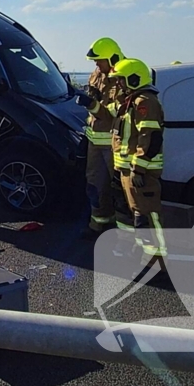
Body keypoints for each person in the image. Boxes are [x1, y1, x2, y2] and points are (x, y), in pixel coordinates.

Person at [109, 58, 167, 263]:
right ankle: (145, 255)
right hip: (128, 170)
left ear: (134, 79)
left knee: (146, 217)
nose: (118, 84)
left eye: (121, 80)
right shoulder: (130, 102)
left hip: (141, 173)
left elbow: (150, 137)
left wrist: (139, 169)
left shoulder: (145, 102)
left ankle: (156, 263)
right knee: (137, 214)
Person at [76, 38, 126, 239]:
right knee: (95, 185)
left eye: (99, 61)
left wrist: (92, 105)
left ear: (111, 58)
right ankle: (98, 226)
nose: (96, 65)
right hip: (95, 142)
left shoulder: (123, 76)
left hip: (115, 143)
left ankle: (124, 235)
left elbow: (114, 112)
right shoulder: (97, 74)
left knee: (120, 190)